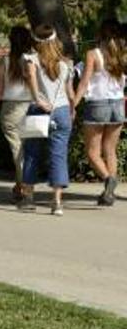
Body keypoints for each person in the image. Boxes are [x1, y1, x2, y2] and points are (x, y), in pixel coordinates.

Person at [19, 24, 75, 215]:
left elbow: (32, 79)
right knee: (58, 155)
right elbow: (70, 92)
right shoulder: (66, 63)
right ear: (55, 39)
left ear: (36, 40)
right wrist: (72, 109)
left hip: (39, 109)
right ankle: (57, 202)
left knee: (32, 152)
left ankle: (28, 197)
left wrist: (38, 99)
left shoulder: (31, 59)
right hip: (62, 110)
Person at [72, 19, 126, 206]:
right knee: (110, 151)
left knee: (92, 152)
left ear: (99, 34)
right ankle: (109, 193)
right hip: (118, 103)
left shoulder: (93, 54)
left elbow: (84, 83)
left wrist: (74, 104)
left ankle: (108, 180)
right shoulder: (122, 53)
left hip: (97, 104)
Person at [0, 26, 37, 203]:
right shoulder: (34, 60)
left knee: (17, 150)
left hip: (11, 109)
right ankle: (20, 186)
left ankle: (25, 187)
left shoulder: (5, 62)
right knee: (28, 149)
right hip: (31, 107)